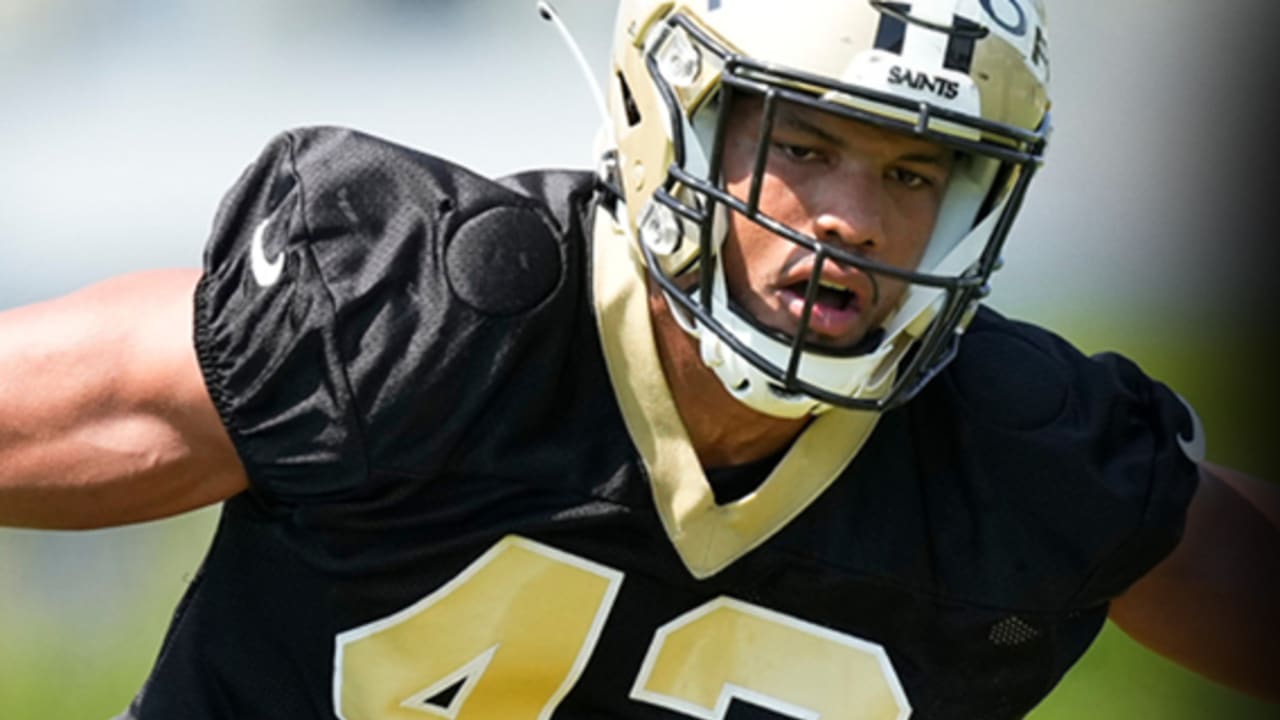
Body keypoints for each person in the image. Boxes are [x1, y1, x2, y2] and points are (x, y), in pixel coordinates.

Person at [1, 0, 1277, 718]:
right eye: (805, 143)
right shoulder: (422, 323)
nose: (851, 218)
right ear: (678, 124)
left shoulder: (1017, 461)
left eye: (908, 172)